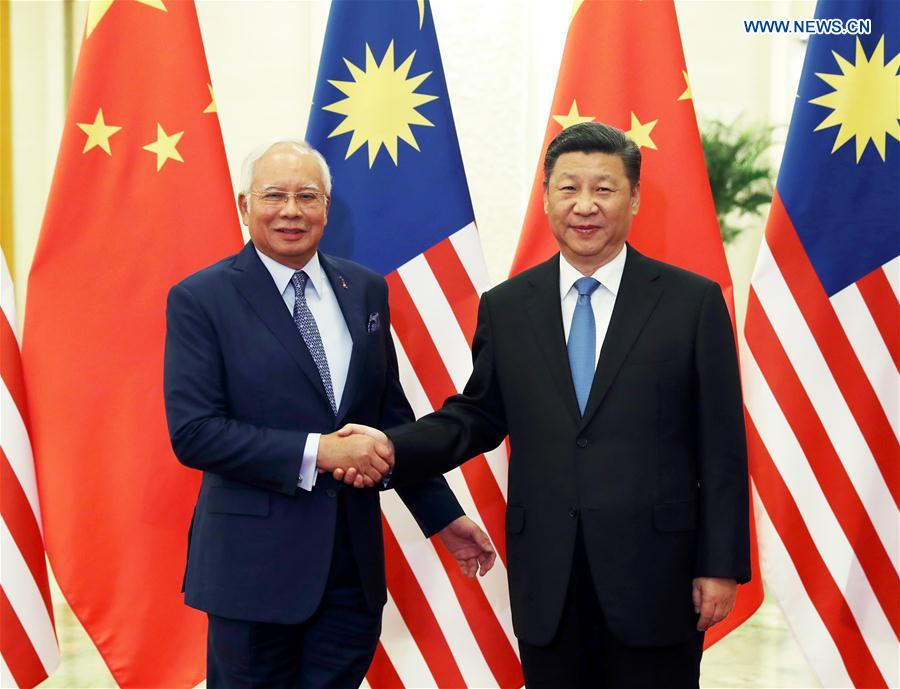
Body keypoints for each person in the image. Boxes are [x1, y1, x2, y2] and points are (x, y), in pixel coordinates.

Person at [338, 122, 751, 688]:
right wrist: (390, 445)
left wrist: (720, 564)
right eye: (568, 188)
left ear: (634, 199)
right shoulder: (509, 307)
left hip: (658, 576)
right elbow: (477, 415)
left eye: (604, 189)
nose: (585, 205)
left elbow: (722, 447)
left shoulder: (691, 303)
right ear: (547, 198)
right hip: (548, 578)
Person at [163, 139, 495, 689]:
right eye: (274, 196)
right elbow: (195, 433)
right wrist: (321, 452)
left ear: (327, 209)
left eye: (306, 196)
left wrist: (443, 516)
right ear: (245, 206)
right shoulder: (201, 298)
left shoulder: (363, 288)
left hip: (350, 573)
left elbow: (389, 416)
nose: (291, 211)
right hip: (252, 575)